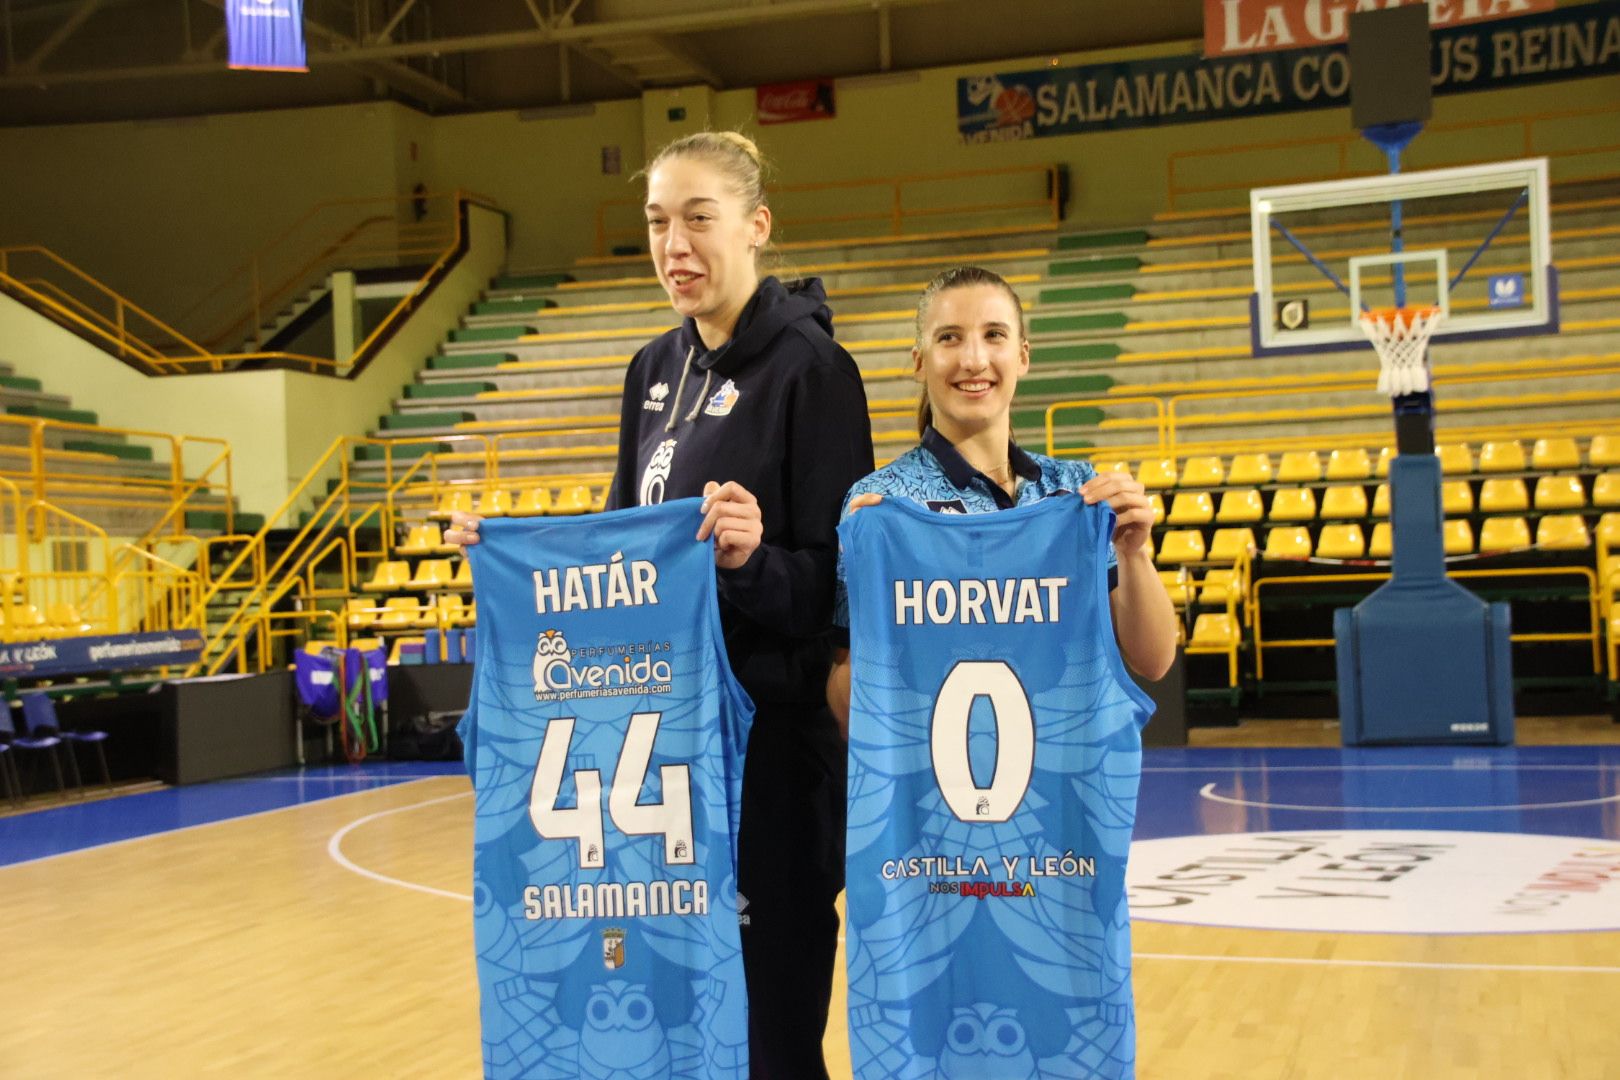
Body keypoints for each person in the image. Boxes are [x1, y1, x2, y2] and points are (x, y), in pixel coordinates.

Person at [449, 130, 874, 1080]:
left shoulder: (813, 372)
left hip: (770, 755)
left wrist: (752, 560)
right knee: (668, 1028)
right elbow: (619, 557)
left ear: (756, 226)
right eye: (655, 223)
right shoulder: (650, 370)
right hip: (665, 758)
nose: (672, 245)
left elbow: (836, 592)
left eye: (697, 219)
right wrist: (514, 559)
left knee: (771, 1034)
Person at [827, 264, 1176, 728]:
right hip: (934, 793)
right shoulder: (882, 503)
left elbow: (1153, 662)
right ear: (919, 360)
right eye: (949, 337)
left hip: (1064, 784)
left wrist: (1134, 556)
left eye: (994, 335)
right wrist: (877, 583)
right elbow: (849, 706)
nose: (974, 360)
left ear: (1023, 356)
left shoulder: (1076, 491)